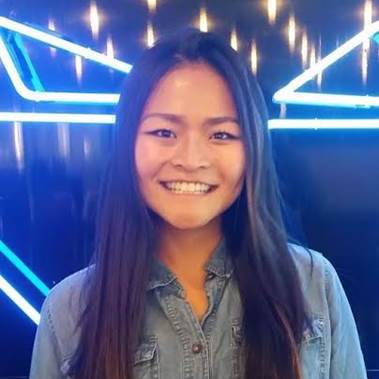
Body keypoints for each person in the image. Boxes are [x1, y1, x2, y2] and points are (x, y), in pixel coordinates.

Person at [29, 28, 367, 379]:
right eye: (164, 133)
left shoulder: (313, 283)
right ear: (127, 142)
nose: (191, 159)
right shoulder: (69, 310)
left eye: (221, 134)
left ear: (252, 148)